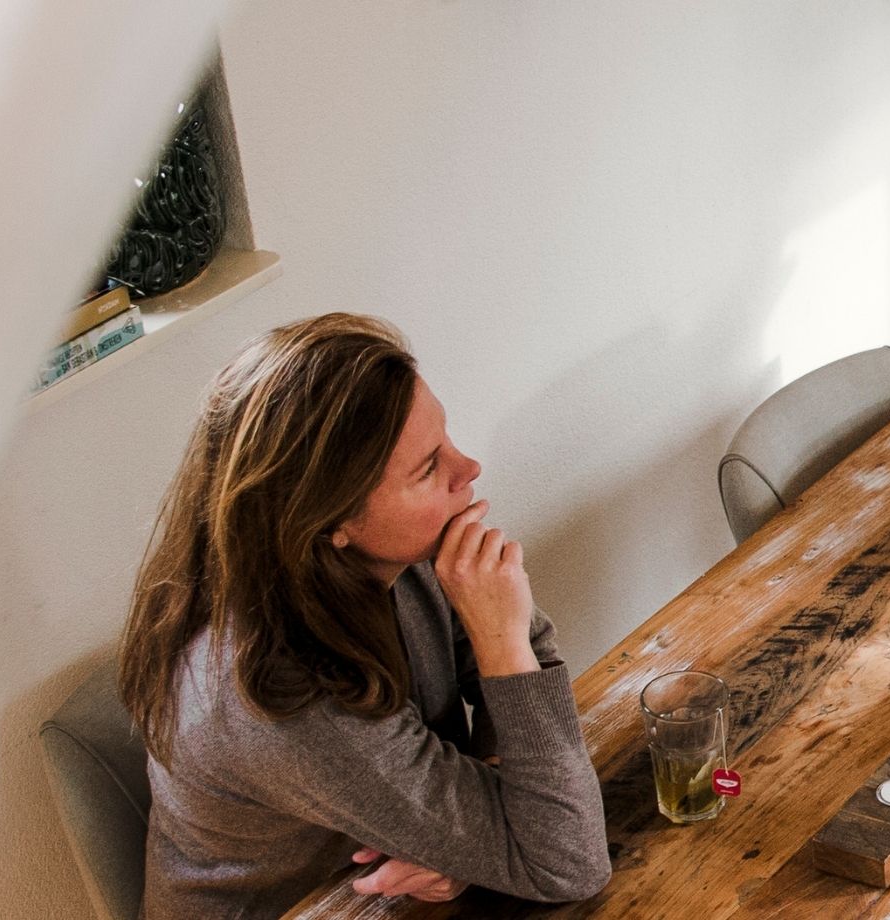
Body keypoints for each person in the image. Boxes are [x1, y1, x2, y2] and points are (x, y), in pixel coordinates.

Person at [119, 313, 610, 919]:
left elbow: (531, 658)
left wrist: (474, 827)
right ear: (329, 520)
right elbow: (569, 861)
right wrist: (500, 641)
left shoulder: (405, 554)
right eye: (428, 468)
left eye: (446, 440)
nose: (469, 469)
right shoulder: (285, 698)